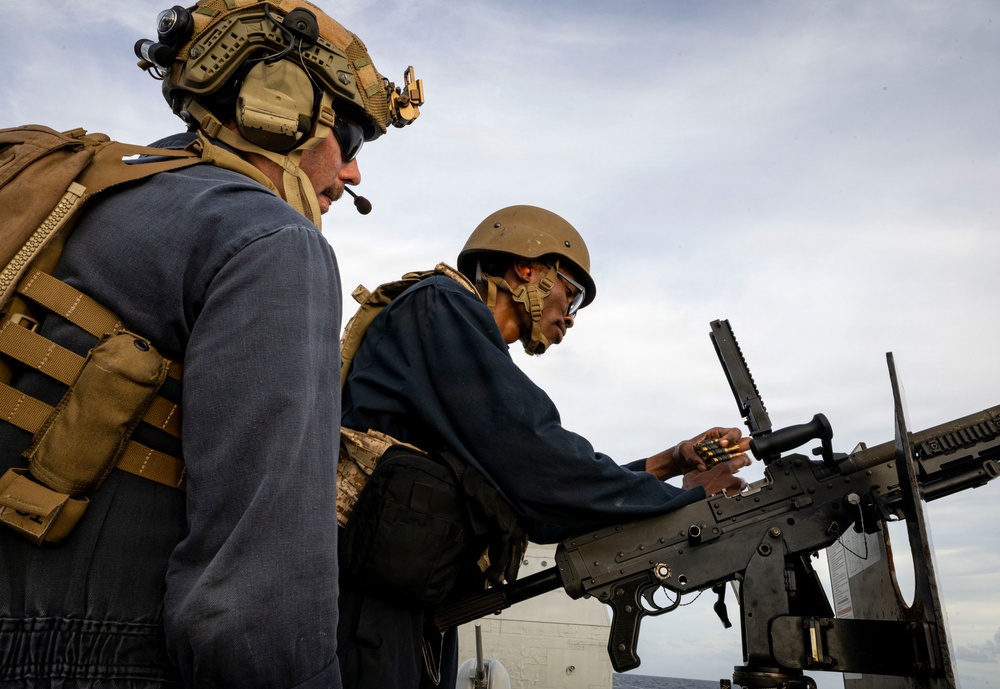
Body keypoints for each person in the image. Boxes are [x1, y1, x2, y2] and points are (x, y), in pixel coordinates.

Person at [0, 2, 421, 687]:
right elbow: (257, 607)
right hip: (105, 657)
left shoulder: (77, 204)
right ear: (280, 106)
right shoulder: (268, 241)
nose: (352, 174)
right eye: (350, 140)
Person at [337, 205, 752, 689]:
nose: (571, 319)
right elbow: (542, 468)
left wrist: (671, 462)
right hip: (369, 606)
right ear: (526, 269)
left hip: (411, 605)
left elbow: (536, 489)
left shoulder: (452, 343)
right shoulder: (440, 308)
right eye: (571, 297)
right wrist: (694, 500)